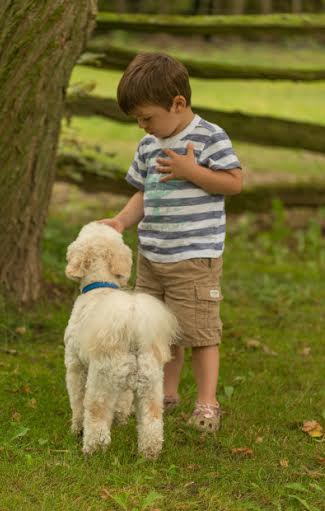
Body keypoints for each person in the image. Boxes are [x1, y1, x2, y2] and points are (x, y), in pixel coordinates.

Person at [99, 53, 242, 432]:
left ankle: (208, 403)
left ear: (177, 103)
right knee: (158, 332)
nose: (143, 126)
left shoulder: (209, 136)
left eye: (147, 117)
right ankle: (167, 392)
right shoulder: (149, 145)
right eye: (138, 120)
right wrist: (120, 220)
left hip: (194, 259)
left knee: (199, 332)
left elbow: (234, 182)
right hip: (153, 258)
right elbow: (142, 194)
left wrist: (191, 171)